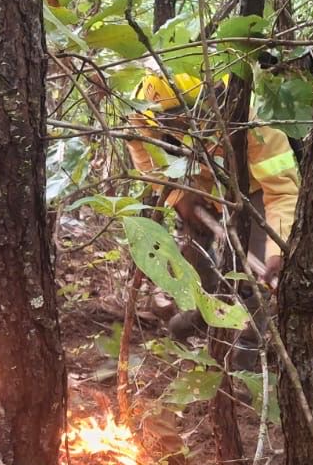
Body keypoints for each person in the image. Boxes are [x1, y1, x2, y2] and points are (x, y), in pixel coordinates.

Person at [125, 61, 300, 351]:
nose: (189, 125)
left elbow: (281, 192)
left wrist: (277, 250)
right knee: (196, 257)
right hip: (197, 182)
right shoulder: (141, 111)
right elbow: (147, 160)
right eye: (175, 121)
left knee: (251, 283)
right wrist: (180, 197)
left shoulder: (257, 121)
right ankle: (203, 316)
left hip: (253, 188)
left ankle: (246, 356)